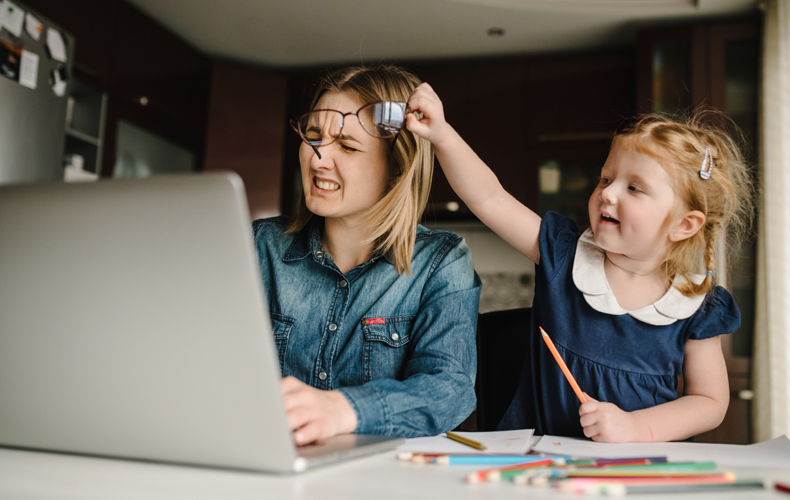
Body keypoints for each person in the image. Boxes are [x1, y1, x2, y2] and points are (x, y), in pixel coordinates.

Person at [406, 83, 754, 442]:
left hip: (639, 470)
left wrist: (635, 428)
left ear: (684, 225)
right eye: (606, 178)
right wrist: (442, 136)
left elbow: (709, 402)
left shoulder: (697, 304)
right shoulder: (563, 253)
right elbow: (490, 198)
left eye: (634, 188)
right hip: (540, 463)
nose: (607, 192)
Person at [252, 66, 481, 446]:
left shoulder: (441, 263)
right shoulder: (259, 247)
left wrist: (343, 410)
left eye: (347, 146)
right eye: (313, 136)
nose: (318, 157)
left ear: (397, 169)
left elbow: (449, 390)